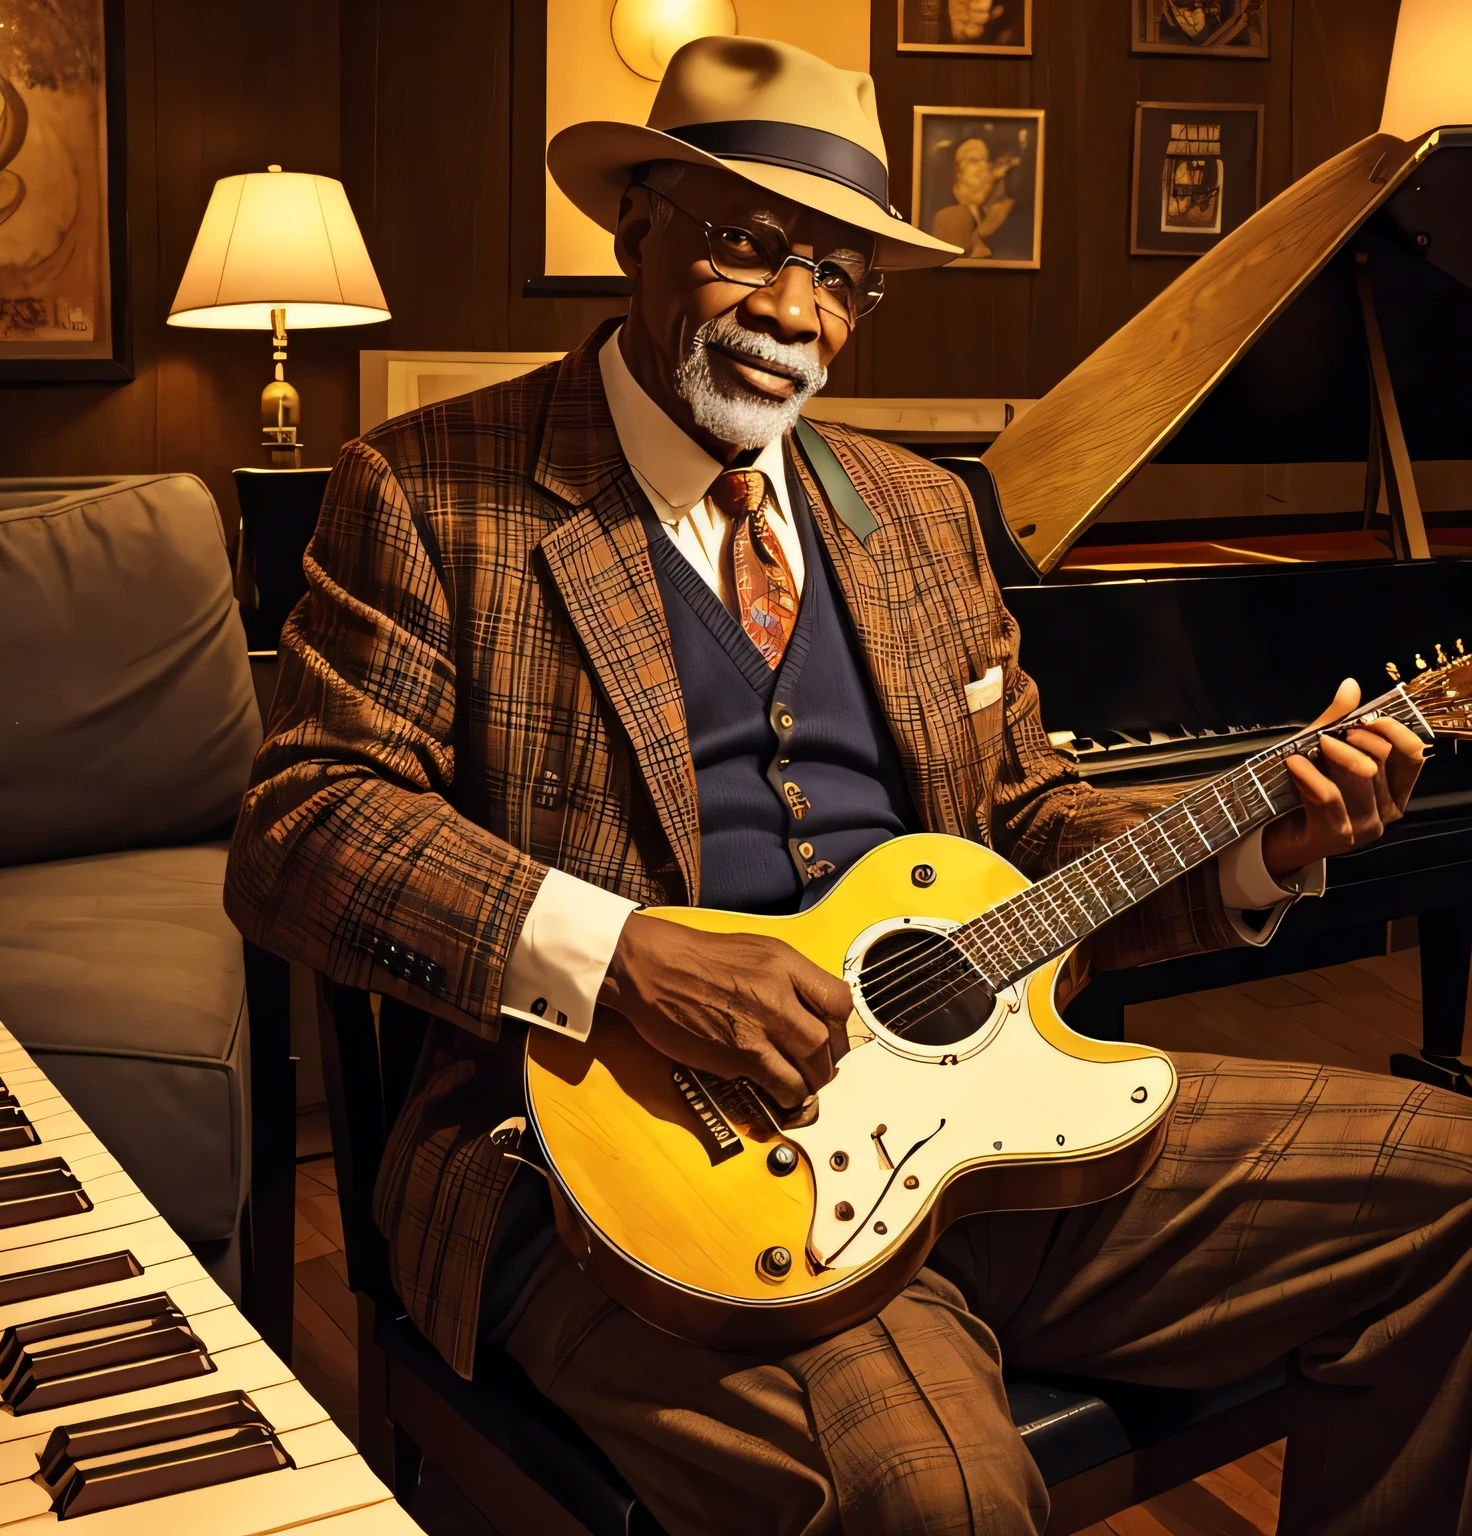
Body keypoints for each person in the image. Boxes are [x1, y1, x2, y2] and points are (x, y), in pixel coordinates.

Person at [224, 34, 1472, 1536]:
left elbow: (1024, 838)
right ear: (636, 226)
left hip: (983, 1138)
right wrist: (627, 960)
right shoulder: (425, 491)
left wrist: (1262, 846)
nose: (795, 313)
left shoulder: (924, 511)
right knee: (928, 1497)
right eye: (748, 244)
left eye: (843, 277)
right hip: (622, 1178)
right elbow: (307, 829)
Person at [931, 136, 1018, 258]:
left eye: (976, 160)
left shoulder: (1009, 210)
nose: (981, 168)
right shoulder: (949, 217)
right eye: (970, 161)